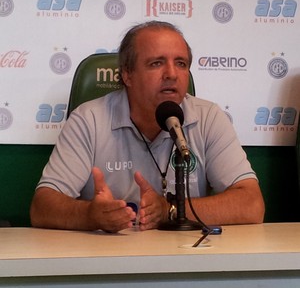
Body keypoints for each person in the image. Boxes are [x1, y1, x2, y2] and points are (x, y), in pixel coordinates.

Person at [30, 21, 265, 233]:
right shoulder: (88, 119)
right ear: (127, 75)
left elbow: (251, 204)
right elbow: (43, 206)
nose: (172, 74)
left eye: (181, 64)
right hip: (107, 260)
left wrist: (169, 210)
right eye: (156, 63)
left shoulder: (209, 118)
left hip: (186, 259)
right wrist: (89, 216)